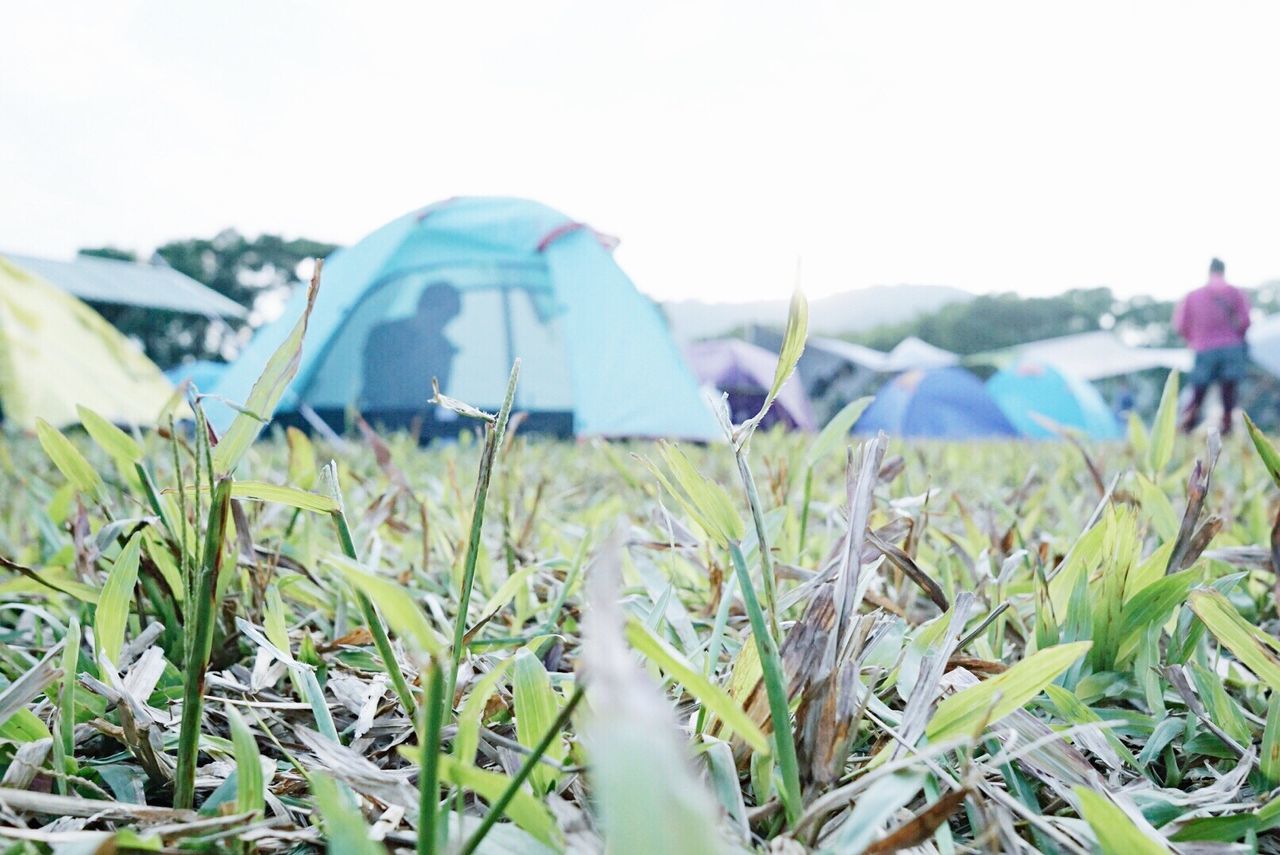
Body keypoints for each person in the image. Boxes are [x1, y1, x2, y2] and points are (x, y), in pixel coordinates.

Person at [1173, 258, 1250, 434]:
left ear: (1209, 271)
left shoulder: (1193, 295)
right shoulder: (1235, 293)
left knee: (1198, 393)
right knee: (1228, 395)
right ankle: (1227, 429)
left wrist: (1195, 340)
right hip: (1232, 347)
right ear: (1224, 270)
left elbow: (1180, 326)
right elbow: (1245, 322)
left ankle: (1185, 428)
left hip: (1203, 347)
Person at [361, 282, 462, 412]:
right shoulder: (384, 335)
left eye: (447, 318)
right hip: (378, 418)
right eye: (440, 316)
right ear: (423, 307)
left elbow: (436, 397)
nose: (441, 324)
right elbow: (376, 385)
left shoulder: (443, 348)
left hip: (425, 423)